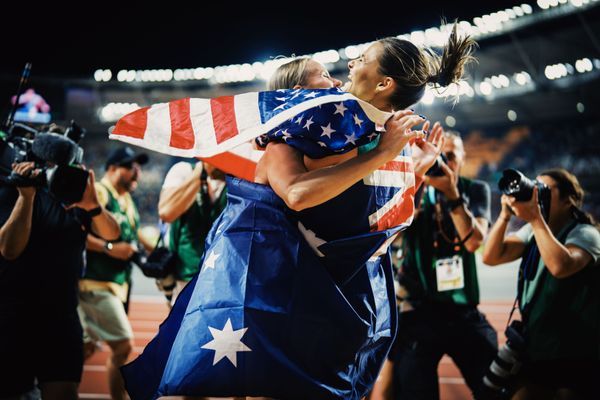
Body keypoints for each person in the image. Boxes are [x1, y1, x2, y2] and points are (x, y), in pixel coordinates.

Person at [122, 24, 476, 400]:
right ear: (298, 94)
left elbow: (373, 225)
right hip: (273, 290)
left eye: (361, 60)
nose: (343, 73)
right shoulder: (297, 137)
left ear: (385, 84)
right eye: (323, 77)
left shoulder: (372, 137)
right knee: (248, 386)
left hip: (321, 298)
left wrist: (409, 170)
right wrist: (383, 157)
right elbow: (297, 194)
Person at [386, 130, 497, 399]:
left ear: (462, 158)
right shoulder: (414, 191)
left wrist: (452, 194)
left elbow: (474, 242)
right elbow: (388, 237)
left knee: (494, 384)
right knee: (413, 388)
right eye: (439, 156)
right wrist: (411, 196)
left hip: (462, 308)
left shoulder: (475, 189)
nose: (444, 163)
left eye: (450, 156)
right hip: (420, 310)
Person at [0, 161, 120, 400]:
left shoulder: (74, 195)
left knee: (64, 392)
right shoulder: (14, 189)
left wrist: (94, 205)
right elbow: (9, 249)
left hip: (62, 314)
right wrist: (26, 196)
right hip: (15, 315)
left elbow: (112, 233)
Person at [482, 168, 600, 399]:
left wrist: (535, 217)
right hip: (538, 347)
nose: (536, 193)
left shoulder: (586, 234)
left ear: (569, 201)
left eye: (544, 190)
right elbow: (492, 256)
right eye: (534, 187)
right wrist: (506, 215)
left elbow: (561, 266)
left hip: (576, 351)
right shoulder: (532, 231)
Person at [78, 146, 152, 400]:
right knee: (123, 345)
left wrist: (158, 251)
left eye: (138, 168)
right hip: (95, 282)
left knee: (86, 347)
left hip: (116, 283)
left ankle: (53, 382)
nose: (137, 174)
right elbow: (76, 232)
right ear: (111, 168)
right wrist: (109, 248)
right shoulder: (99, 191)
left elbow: (133, 234)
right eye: (130, 167)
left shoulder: (126, 199)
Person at [158, 160, 227, 305]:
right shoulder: (184, 171)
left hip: (225, 280)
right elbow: (166, 212)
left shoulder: (240, 177)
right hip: (186, 278)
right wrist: (201, 171)